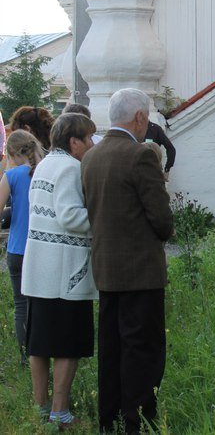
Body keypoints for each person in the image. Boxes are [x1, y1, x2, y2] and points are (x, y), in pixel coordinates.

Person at [81, 88, 173, 434]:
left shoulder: (91, 157)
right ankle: (137, 421)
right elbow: (161, 220)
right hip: (141, 273)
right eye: (146, 118)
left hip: (106, 269)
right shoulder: (140, 156)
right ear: (139, 117)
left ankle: (110, 419)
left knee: (111, 347)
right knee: (142, 349)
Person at [21, 114, 98, 428]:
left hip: (41, 269)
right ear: (74, 141)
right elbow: (69, 217)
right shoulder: (70, 168)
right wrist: (102, 217)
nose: (91, 144)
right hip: (64, 272)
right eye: (88, 138)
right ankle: (60, 413)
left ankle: (41, 409)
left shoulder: (44, 165)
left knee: (39, 344)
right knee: (68, 344)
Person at [0, 131, 44, 365]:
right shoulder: (45, 170)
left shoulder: (12, 175)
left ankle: (26, 358)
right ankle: (44, 354)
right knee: (42, 305)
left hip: (18, 248)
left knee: (20, 305)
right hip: (43, 248)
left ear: (13, 153)